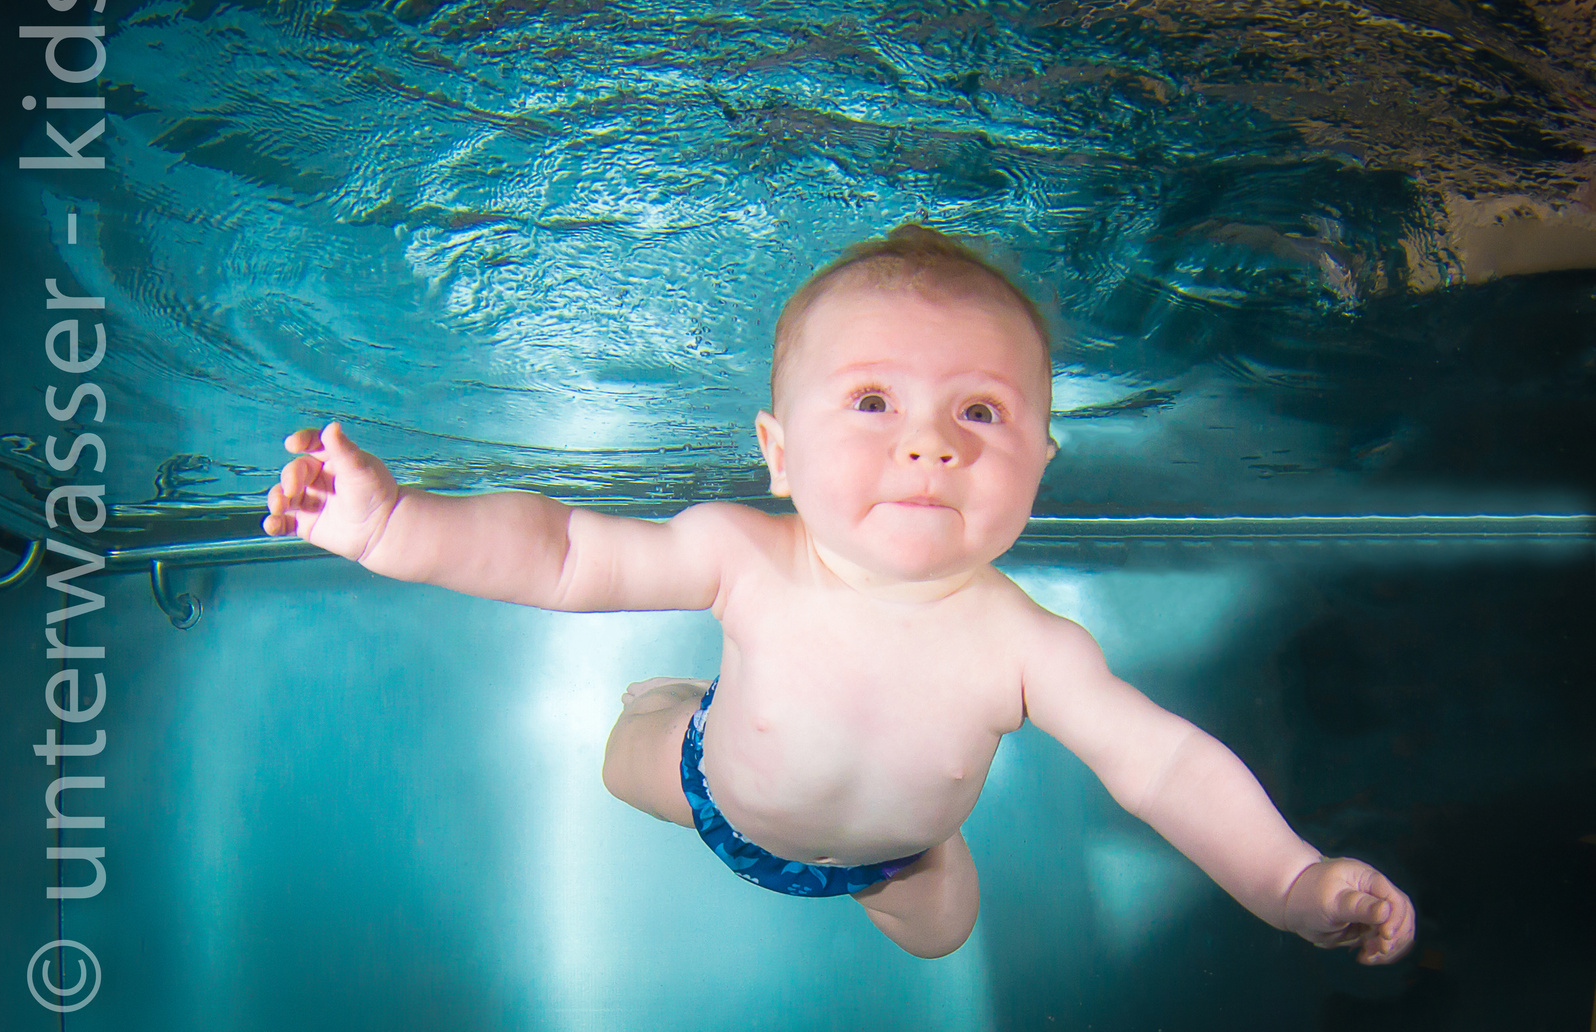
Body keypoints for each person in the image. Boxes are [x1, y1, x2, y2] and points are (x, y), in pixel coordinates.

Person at [263, 224, 1416, 962]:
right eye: (872, 402)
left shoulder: (1030, 649)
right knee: (621, 762)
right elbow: (559, 553)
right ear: (776, 451)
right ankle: (665, 704)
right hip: (713, 791)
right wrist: (397, 526)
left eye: (979, 412)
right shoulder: (743, 555)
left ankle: (879, 843)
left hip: (895, 860)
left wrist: (1287, 881)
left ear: (1042, 465)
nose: (929, 447)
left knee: (942, 939)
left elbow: (1163, 765)